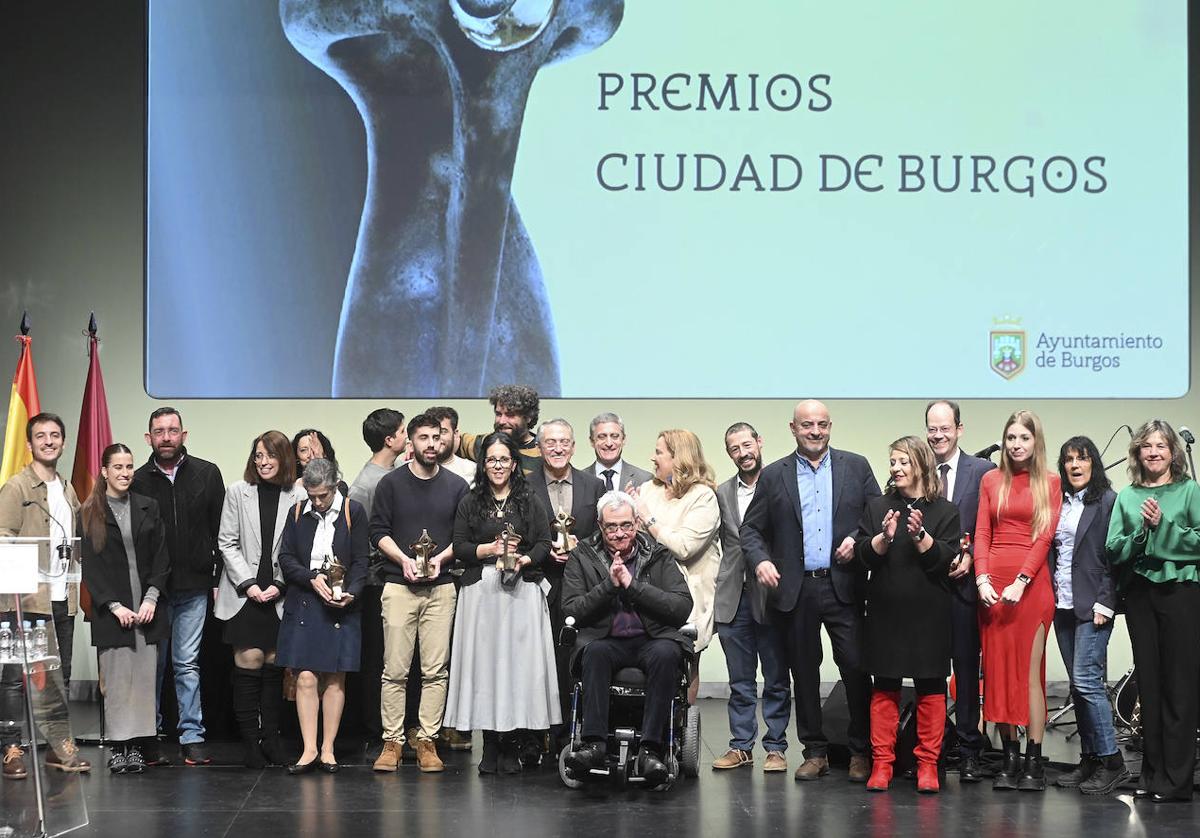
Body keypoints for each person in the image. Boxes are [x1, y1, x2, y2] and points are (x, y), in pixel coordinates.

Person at [741, 400, 880, 783]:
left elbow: (877, 518)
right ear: (793, 428)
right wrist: (761, 561)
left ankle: (859, 752)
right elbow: (751, 530)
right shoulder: (774, 475)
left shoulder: (856, 466)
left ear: (830, 426)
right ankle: (814, 752)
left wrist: (857, 538)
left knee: (855, 668)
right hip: (796, 589)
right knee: (803, 672)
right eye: (807, 425)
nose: (815, 431)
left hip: (844, 586)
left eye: (821, 424)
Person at [443, 432, 557, 775]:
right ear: (483, 463)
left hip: (521, 592)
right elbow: (459, 545)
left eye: (504, 459)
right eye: (491, 459)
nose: (497, 466)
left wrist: (524, 559)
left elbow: (544, 542)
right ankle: (490, 743)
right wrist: (489, 550)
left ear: (514, 463)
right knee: (486, 669)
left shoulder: (529, 499)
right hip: (482, 594)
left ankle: (513, 743)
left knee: (517, 669)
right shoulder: (471, 500)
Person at [562, 491, 694, 784]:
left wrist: (632, 587)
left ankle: (651, 750)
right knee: (593, 653)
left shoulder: (657, 555)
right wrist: (609, 586)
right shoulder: (583, 555)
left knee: (667, 653)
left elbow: (682, 605)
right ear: (599, 525)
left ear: (636, 523)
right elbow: (571, 609)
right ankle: (594, 745)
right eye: (611, 526)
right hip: (605, 639)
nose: (619, 533)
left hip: (652, 638)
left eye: (625, 525)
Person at [854, 436, 960, 793]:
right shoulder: (877, 506)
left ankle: (927, 764)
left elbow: (943, 562)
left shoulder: (945, 511)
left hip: (929, 612)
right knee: (884, 686)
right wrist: (883, 537)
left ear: (921, 465)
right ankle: (882, 764)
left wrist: (921, 537)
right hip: (885, 611)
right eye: (893, 462)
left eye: (903, 462)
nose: (896, 469)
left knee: (931, 686)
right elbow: (864, 558)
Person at [1106, 419, 1200, 802]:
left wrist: (1163, 527)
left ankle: (1176, 781)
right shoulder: (1128, 497)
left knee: (1179, 685)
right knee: (1151, 685)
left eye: (1161, 446)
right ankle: (1153, 774)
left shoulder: (1189, 490)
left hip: (1180, 592)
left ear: (1173, 452)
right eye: (1146, 446)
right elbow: (1114, 548)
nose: (1154, 452)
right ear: (1137, 453)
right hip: (1142, 596)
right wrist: (1143, 533)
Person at [369, 414, 467, 773]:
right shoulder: (391, 484)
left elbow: (463, 536)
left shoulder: (457, 486)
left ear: (444, 441)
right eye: (423, 437)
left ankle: (427, 739)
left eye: (436, 437)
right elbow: (377, 530)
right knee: (394, 670)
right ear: (410, 442)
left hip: (441, 589)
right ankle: (392, 741)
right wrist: (404, 559)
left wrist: (440, 559)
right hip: (398, 585)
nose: (430, 444)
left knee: (435, 671)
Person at [131, 406, 225, 766]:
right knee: (152, 666)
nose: (166, 437)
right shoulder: (137, 480)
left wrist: (216, 580)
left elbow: (221, 533)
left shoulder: (207, 473)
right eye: (159, 431)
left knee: (187, 664)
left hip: (195, 586)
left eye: (173, 430)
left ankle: (192, 736)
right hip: (152, 592)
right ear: (149, 438)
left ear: (184, 435)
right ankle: (149, 736)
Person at [974, 409, 1062, 792]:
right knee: (997, 676)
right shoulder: (990, 479)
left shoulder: (1051, 481)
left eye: (1023, 438)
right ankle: (1009, 755)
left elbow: (1044, 537)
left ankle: (1034, 759)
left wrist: (1022, 580)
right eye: (1011, 437)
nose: (1016, 444)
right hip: (993, 586)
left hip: (1031, 587)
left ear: (1035, 441)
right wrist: (981, 577)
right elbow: (981, 533)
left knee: (1028, 677)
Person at [0, 412, 90, 777]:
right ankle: (11, 746)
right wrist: (20, 593)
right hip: (25, 602)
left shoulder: (67, 489)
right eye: (41, 436)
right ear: (29, 444)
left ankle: (57, 747)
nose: (49, 441)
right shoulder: (17, 488)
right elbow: (3, 539)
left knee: (60, 675)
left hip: (61, 598)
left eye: (55, 435)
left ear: (63, 442)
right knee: (15, 677)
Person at [79, 443, 170, 774]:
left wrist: (151, 597)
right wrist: (114, 606)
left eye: (129, 466)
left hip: (147, 607)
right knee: (117, 680)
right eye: (117, 467)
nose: (125, 473)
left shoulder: (149, 506)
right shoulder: (89, 512)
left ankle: (138, 746)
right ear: (104, 471)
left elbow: (162, 557)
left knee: (144, 680)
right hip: (112, 612)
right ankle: (119, 746)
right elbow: (91, 567)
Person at [216, 430, 304, 768]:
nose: (263, 462)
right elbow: (227, 542)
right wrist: (249, 583)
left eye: (270, 456)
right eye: (258, 455)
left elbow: (299, 546)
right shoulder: (238, 492)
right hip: (245, 593)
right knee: (249, 662)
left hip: (281, 593)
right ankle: (251, 743)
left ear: (284, 459)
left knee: (273, 665)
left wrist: (280, 584)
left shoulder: (297, 494)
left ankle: (272, 738)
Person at [275, 458, 369, 774]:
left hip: (342, 601)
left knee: (335, 676)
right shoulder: (298, 512)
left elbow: (361, 562)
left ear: (334, 486)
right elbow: (286, 558)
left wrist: (351, 592)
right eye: (312, 495)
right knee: (304, 676)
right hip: (305, 600)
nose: (317, 501)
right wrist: (310, 577)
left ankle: (328, 748)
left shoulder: (352, 512)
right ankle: (308, 748)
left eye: (322, 495)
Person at [1050, 436, 1127, 795]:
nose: (1075, 465)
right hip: (1063, 604)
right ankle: (1090, 759)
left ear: (1093, 463)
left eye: (1082, 458)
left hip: (1094, 606)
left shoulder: (1108, 502)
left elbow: (1114, 559)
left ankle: (1113, 762)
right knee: (1078, 690)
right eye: (1069, 460)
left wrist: (1106, 602)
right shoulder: (1060, 503)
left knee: (1086, 683)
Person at [711, 422, 790, 773]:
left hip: (770, 595)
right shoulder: (721, 493)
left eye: (747, 445)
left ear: (759, 442)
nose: (743, 453)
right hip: (733, 595)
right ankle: (741, 746)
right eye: (734, 449)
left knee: (775, 676)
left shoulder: (780, 484)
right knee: (739, 680)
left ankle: (776, 747)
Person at [925, 399, 995, 782]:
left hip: (967, 587)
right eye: (932, 429)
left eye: (945, 428)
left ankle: (970, 749)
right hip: (927, 590)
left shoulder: (983, 471)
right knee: (931, 673)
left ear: (959, 429)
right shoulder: (919, 471)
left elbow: (992, 527)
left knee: (967, 673)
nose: (938, 435)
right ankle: (932, 750)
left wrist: (973, 560)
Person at [527, 418, 604, 755]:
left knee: (576, 661)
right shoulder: (525, 486)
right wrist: (546, 550)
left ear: (574, 446)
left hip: (583, 589)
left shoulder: (594, 485)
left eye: (563, 442)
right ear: (540, 448)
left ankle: (574, 736)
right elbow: (521, 535)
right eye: (550, 443)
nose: (557, 448)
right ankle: (534, 736)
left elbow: (603, 536)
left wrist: (578, 547)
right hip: (538, 585)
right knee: (536, 662)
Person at [630, 429, 721, 676]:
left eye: (659, 452)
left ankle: (684, 714)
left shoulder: (703, 497)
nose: (653, 457)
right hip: (649, 591)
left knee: (685, 666)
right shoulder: (649, 489)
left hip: (688, 595)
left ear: (678, 458)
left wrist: (646, 517)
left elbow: (683, 547)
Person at [347, 408, 406, 742]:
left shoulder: (395, 473)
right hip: (375, 583)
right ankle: (375, 728)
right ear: (390, 439)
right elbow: (361, 538)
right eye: (402, 432)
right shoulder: (366, 484)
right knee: (378, 659)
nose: (406, 436)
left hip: (391, 577)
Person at [456, 385, 542, 474]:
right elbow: (455, 441)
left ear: (528, 417)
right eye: (498, 414)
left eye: (510, 415)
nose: (501, 421)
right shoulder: (485, 443)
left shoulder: (543, 452)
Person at [587, 412, 652, 491]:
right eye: (602, 437)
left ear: (623, 440)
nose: (609, 443)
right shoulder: (577, 480)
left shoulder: (645, 480)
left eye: (614, 436)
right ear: (592, 442)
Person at [426, 405, 477, 487]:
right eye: (433, 431)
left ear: (455, 434)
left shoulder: (471, 470)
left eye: (443, 431)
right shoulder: (413, 468)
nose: (437, 437)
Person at [292, 429, 349, 495]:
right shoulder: (290, 488)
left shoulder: (339, 486)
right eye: (304, 450)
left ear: (325, 453)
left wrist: (320, 461)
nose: (310, 455)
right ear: (296, 456)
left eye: (314, 448)